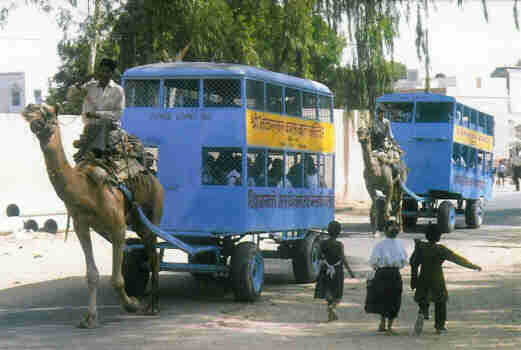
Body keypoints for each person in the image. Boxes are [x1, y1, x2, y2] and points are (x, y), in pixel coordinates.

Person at [410, 222, 482, 335]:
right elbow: (457, 259)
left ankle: (422, 313)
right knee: (440, 301)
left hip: (423, 276)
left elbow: (413, 263)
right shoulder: (441, 249)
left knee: (423, 298)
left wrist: (413, 279)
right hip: (437, 278)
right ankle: (440, 326)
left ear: (426, 235)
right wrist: (472, 266)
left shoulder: (421, 247)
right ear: (438, 236)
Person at [69, 58, 125, 161]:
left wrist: (98, 114)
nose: (103, 74)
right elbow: (70, 96)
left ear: (112, 73)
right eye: (102, 71)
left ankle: (97, 153)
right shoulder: (89, 87)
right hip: (89, 130)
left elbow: (118, 114)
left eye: (107, 71)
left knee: (104, 125)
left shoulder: (118, 90)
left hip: (110, 131)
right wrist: (82, 81)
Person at [365, 220, 408, 335]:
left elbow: (373, 262)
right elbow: (404, 261)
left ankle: (382, 323)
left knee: (383, 298)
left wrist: (378, 268)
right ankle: (389, 327)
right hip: (394, 273)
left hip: (381, 273)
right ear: (397, 232)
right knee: (394, 299)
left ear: (384, 231)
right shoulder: (400, 245)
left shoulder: (379, 245)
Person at [314, 220, 355, 322]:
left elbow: (318, 256)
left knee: (328, 290)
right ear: (339, 232)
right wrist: (350, 272)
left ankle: (330, 315)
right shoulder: (339, 244)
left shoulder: (322, 243)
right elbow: (343, 259)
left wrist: (324, 262)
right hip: (337, 271)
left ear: (328, 231)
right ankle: (332, 308)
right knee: (337, 294)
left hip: (325, 269)